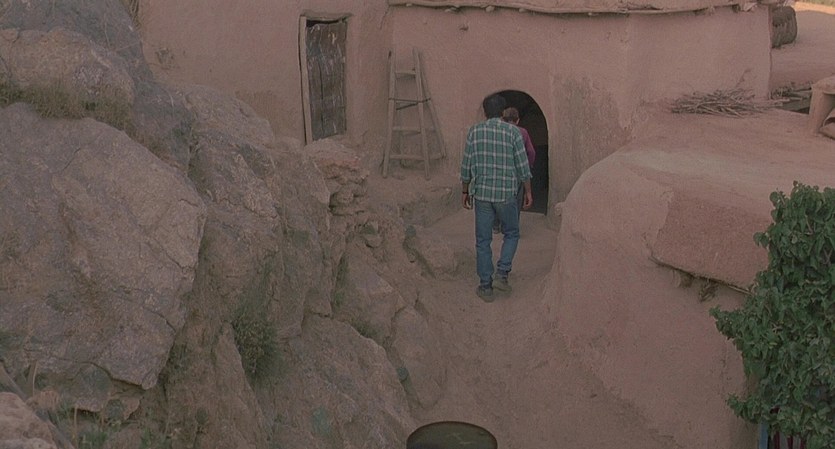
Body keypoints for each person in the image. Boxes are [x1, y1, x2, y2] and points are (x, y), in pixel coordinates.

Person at [460, 94, 533, 301]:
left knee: (483, 240)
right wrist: (528, 191)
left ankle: (485, 286)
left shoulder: (474, 132)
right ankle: (502, 274)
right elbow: (523, 166)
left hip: (482, 195)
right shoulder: (513, 132)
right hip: (506, 194)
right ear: (503, 112)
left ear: (485, 112)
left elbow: (466, 165)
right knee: (511, 233)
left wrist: (465, 191)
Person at [493, 106, 535, 233]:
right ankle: (511, 226)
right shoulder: (522, 132)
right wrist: (528, 166)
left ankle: (496, 225)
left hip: (499, 169)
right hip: (516, 171)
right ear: (518, 120)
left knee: (497, 196)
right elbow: (531, 152)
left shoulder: (497, 132)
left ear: (503, 119)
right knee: (516, 199)